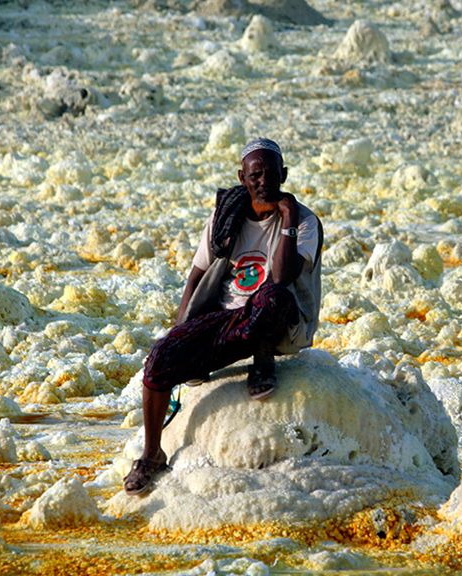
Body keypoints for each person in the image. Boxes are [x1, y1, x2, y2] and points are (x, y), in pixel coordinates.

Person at [123, 138, 322, 495]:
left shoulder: (304, 220)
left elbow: (282, 276)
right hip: (225, 317)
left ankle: (263, 357)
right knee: (159, 360)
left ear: (284, 174)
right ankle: (152, 455)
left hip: (276, 318)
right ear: (242, 178)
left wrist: (288, 219)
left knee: (273, 296)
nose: (263, 181)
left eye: (271, 173)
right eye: (255, 175)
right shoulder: (225, 218)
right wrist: (181, 330)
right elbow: (196, 275)